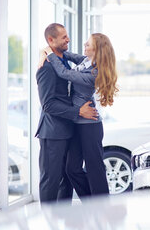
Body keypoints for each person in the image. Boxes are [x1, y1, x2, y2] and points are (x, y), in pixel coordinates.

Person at [39, 33, 118, 197]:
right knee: (72, 169)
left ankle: (101, 207)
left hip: (90, 126)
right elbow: (64, 54)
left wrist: (50, 52)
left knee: (94, 167)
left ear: (96, 50)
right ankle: (90, 201)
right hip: (77, 123)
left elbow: (64, 73)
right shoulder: (85, 61)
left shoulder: (94, 73)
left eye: (88, 44)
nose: (84, 44)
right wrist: (44, 52)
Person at [35, 23, 98, 204]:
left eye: (67, 35)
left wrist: (46, 50)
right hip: (53, 132)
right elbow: (48, 105)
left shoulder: (62, 60)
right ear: (51, 40)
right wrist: (78, 111)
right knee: (51, 180)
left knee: (66, 180)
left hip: (68, 129)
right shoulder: (46, 67)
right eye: (64, 37)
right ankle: (47, 221)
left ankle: (64, 219)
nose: (68, 39)